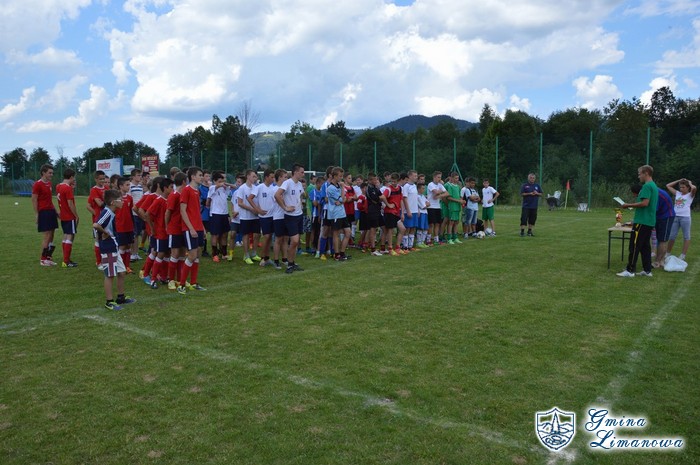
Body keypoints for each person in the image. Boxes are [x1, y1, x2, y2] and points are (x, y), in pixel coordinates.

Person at [92, 189, 135, 310]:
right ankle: (109, 301)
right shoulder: (107, 212)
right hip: (108, 247)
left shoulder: (111, 212)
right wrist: (105, 233)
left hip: (113, 246)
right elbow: (95, 225)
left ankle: (121, 297)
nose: (122, 201)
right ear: (113, 202)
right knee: (110, 275)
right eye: (120, 200)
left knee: (121, 272)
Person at [617, 165, 659, 277]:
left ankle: (630, 270)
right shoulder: (653, 185)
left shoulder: (647, 186)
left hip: (642, 222)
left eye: (639, 174)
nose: (638, 176)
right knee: (645, 247)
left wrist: (628, 205)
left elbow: (645, 203)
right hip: (649, 221)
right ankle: (647, 270)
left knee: (634, 246)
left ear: (646, 173)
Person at [177, 167, 207, 293]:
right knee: (192, 255)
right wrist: (191, 228)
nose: (202, 177)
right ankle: (181, 285)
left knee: (197, 254)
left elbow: (196, 212)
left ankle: (194, 283)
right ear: (193, 177)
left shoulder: (197, 191)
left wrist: (202, 228)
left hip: (198, 227)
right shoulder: (186, 190)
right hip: (190, 228)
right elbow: (182, 210)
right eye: (200, 175)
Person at [275, 164, 305, 274]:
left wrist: (300, 203)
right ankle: (289, 263)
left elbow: (301, 195)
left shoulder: (299, 184)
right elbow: (277, 195)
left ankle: (292, 263)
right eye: (302, 172)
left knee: (296, 242)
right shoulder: (287, 183)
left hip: (299, 215)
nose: (303, 174)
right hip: (290, 217)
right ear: (295, 172)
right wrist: (285, 207)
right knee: (294, 241)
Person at [145, 177, 173, 288]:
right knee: (159, 253)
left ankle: (163, 277)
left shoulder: (169, 199)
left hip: (169, 232)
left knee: (167, 254)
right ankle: (152, 279)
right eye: (171, 187)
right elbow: (147, 214)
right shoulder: (159, 200)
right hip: (160, 233)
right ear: (165, 188)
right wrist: (152, 228)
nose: (173, 189)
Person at [32, 164, 59, 266]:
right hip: (44, 212)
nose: (51, 174)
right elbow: (34, 199)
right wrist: (37, 214)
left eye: (52, 173)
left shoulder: (49, 183)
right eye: (49, 173)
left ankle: (48, 257)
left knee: (52, 234)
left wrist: (56, 211)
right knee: (47, 235)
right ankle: (43, 259)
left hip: (51, 211)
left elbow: (49, 200)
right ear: (43, 172)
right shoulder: (37, 184)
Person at [237, 169, 264, 265]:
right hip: (245, 217)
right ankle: (246, 255)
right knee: (246, 236)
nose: (255, 178)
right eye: (253, 176)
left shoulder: (256, 188)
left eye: (256, 176)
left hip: (255, 217)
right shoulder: (242, 188)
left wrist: (258, 210)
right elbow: (240, 203)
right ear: (248, 176)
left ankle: (254, 253)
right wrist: (251, 209)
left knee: (257, 235)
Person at [666, 178, 696, 261]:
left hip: (685, 217)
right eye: (680, 187)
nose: (681, 189)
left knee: (686, 236)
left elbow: (694, 188)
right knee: (672, 236)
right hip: (675, 217)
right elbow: (668, 186)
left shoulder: (690, 195)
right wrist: (679, 180)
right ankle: (667, 253)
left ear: (688, 188)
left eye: (683, 187)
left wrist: (689, 182)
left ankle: (683, 255)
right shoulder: (678, 193)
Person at [166, 172, 187, 289]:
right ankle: (171, 280)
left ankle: (180, 279)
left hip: (183, 228)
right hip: (174, 229)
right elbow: (168, 212)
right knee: (174, 254)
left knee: (182, 254)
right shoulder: (174, 195)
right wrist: (167, 226)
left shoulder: (183, 194)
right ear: (183, 182)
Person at [206, 171, 233, 263]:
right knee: (215, 234)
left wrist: (225, 184)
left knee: (225, 234)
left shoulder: (225, 188)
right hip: (215, 214)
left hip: (224, 214)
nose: (222, 183)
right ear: (214, 181)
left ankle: (224, 253)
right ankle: (215, 254)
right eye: (219, 181)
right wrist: (219, 185)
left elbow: (234, 187)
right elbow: (209, 199)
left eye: (223, 180)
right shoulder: (212, 188)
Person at [326, 167, 352, 260]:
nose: (341, 178)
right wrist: (342, 189)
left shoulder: (338, 186)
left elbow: (344, 200)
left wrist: (341, 200)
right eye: (340, 176)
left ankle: (342, 252)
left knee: (348, 233)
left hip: (342, 213)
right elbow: (342, 199)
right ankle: (337, 254)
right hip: (335, 214)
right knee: (336, 234)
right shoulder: (330, 188)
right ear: (334, 176)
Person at [56, 168, 79, 267]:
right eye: (74, 177)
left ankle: (66, 259)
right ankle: (66, 261)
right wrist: (76, 215)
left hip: (63, 215)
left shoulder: (58, 186)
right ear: (71, 177)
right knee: (70, 236)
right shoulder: (67, 188)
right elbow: (70, 204)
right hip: (69, 216)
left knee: (65, 236)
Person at [115, 177, 135, 274]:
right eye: (127, 185)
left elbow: (130, 212)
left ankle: (127, 266)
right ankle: (121, 266)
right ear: (120, 186)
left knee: (128, 246)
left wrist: (133, 224)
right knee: (122, 247)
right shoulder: (116, 198)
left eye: (129, 185)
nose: (129, 187)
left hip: (129, 226)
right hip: (120, 226)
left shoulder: (130, 198)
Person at [87, 170, 107, 265]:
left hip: (107, 217)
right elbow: (99, 204)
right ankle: (99, 262)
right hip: (98, 219)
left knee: (106, 238)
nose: (102, 181)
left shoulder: (106, 188)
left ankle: (105, 259)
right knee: (98, 239)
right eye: (100, 179)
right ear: (96, 179)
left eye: (103, 178)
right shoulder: (94, 190)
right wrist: (95, 214)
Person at [653, 187, 675, 267]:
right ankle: (661, 260)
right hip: (660, 216)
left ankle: (657, 262)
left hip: (666, 216)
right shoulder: (654, 191)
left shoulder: (656, 194)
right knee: (660, 238)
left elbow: (653, 210)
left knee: (663, 240)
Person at [427, 171, 447, 245]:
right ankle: (428, 240)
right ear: (434, 177)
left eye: (440, 177)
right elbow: (436, 192)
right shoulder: (430, 184)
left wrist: (439, 196)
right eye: (438, 177)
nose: (439, 179)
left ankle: (436, 239)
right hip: (431, 207)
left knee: (437, 224)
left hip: (438, 207)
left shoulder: (440, 185)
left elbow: (447, 193)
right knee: (431, 224)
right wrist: (441, 191)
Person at [444, 172, 465, 244]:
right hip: (452, 206)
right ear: (452, 178)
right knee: (451, 222)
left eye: (458, 178)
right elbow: (449, 197)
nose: (457, 179)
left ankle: (455, 237)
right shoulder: (450, 186)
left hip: (457, 207)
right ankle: (449, 238)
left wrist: (462, 201)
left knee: (456, 222)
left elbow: (459, 196)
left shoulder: (458, 187)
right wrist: (458, 201)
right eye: (456, 178)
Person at [129, 169, 144, 262]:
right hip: (133, 213)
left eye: (140, 175)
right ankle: (132, 253)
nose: (140, 177)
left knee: (137, 233)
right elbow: (130, 200)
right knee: (134, 234)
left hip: (139, 212)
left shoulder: (140, 187)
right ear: (133, 176)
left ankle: (136, 253)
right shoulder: (130, 186)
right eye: (138, 175)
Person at [199, 170, 212, 257]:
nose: (208, 178)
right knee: (204, 231)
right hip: (204, 212)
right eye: (206, 176)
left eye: (209, 176)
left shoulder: (212, 187)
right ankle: (204, 249)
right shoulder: (200, 188)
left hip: (212, 211)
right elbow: (202, 200)